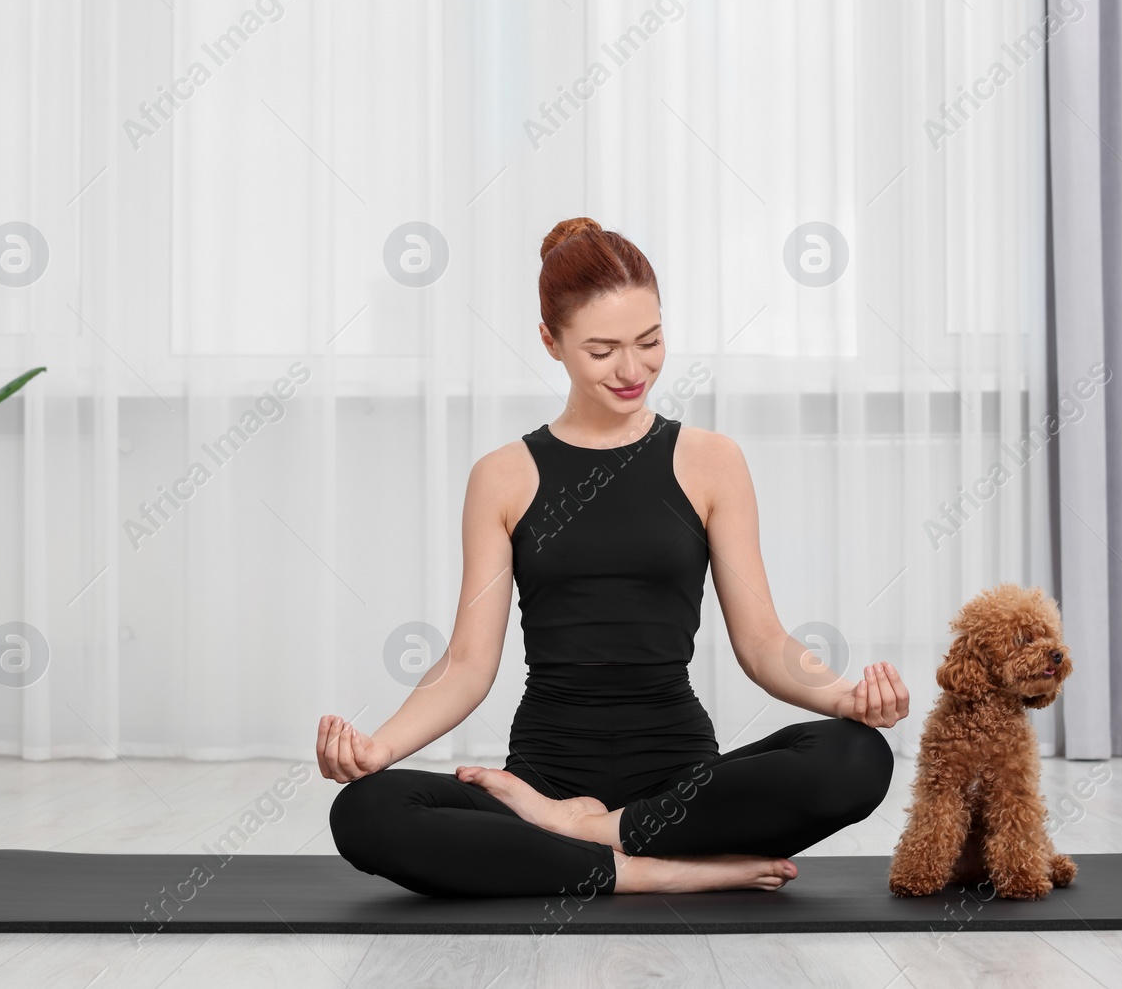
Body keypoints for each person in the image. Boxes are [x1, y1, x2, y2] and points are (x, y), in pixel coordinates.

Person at [320, 217, 908, 899]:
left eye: (650, 341)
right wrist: (379, 749)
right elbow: (469, 663)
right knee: (364, 810)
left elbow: (763, 641)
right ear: (551, 342)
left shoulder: (712, 461)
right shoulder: (503, 475)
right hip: (541, 782)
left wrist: (848, 697)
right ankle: (648, 871)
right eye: (602, 350)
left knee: (855, 757)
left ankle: (597, 838)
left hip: (678, 785)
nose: (633, 370)